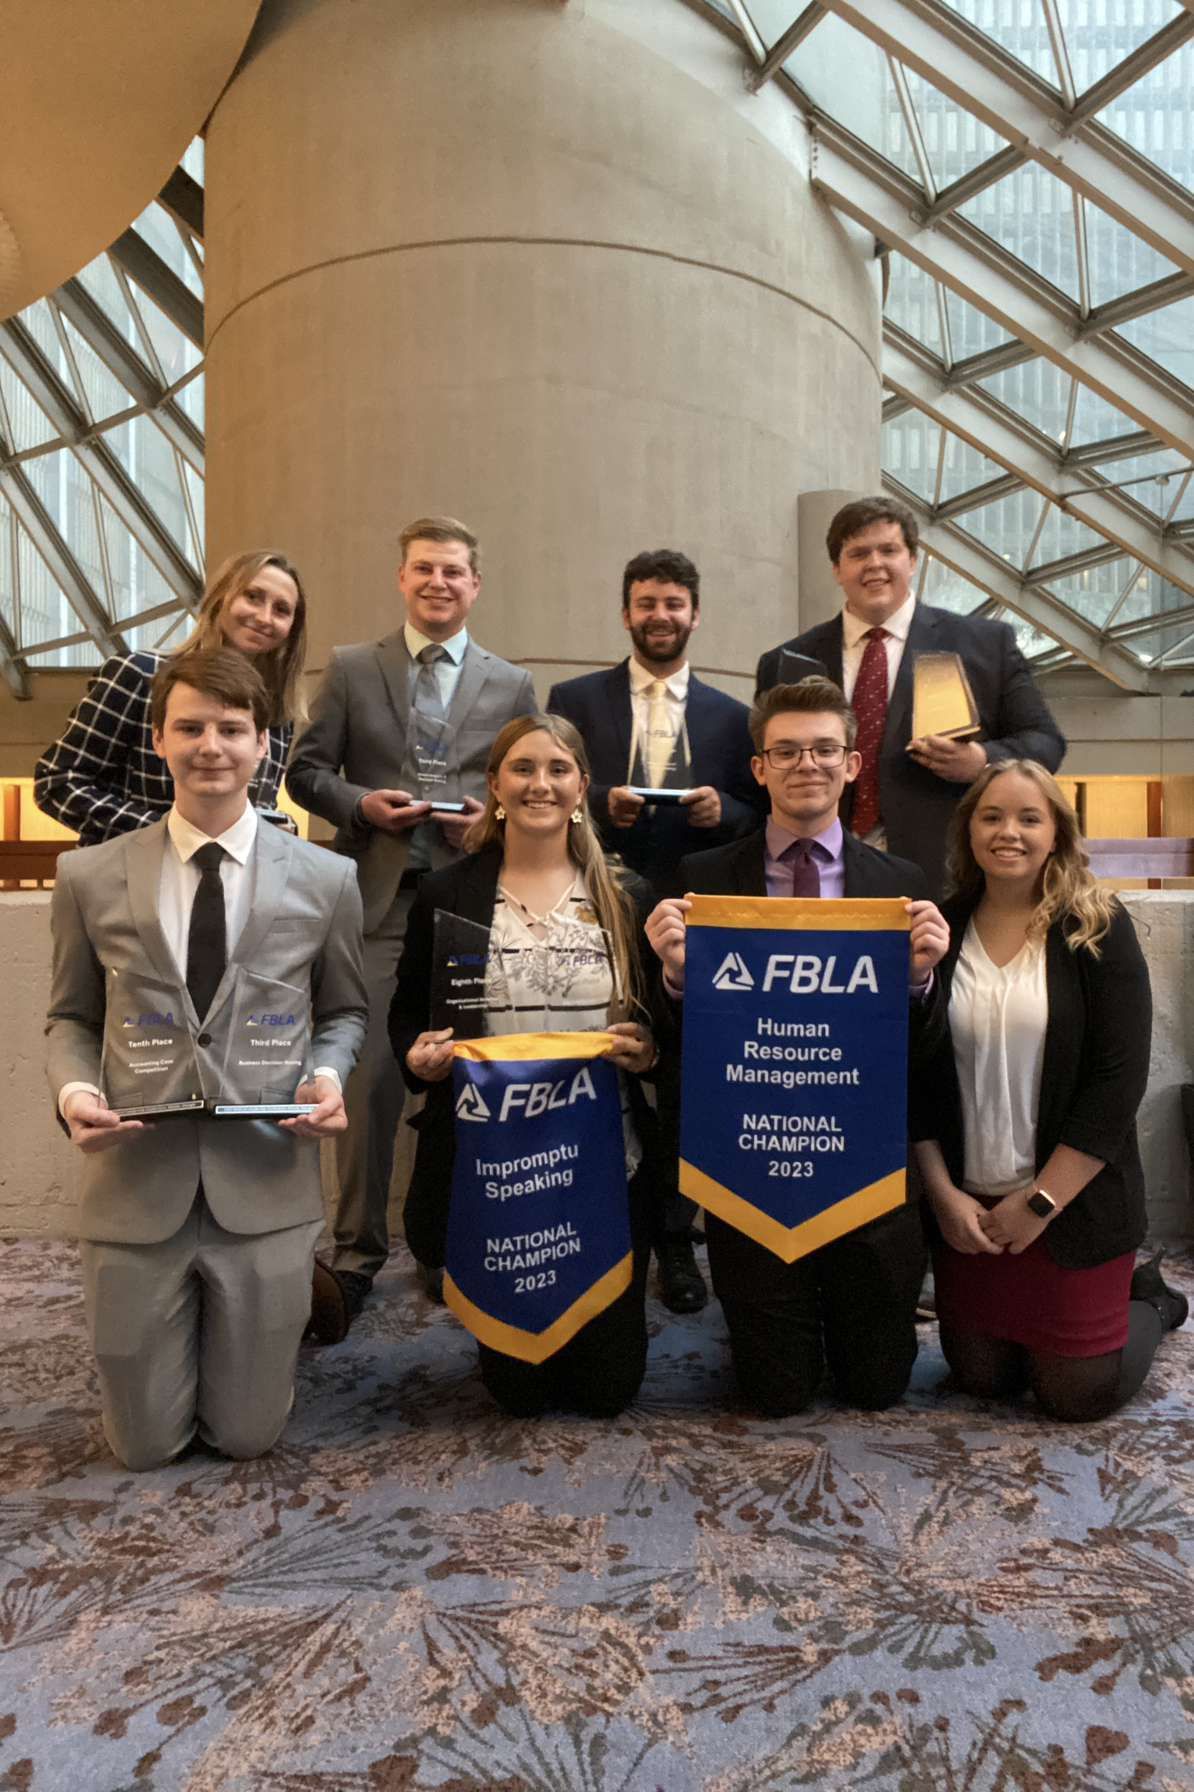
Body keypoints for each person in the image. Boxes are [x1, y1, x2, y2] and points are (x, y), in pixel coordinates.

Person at [45, 648, 367, 1471]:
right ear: (158, 739)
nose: (210, 746)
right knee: (145, 1447)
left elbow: (344, 1012)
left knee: (248, 1436)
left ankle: (287, 1303)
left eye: (232, 728)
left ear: (266, 744)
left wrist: (328, 1076)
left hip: (264, 1177)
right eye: (189, 727)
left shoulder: (328, 880)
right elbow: (69, 1018)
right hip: (134, 1185)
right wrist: (76, 1089)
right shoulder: (87, 876)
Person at [645, 677, 949, 1417]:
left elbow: (929, 1059)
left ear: (852, 764)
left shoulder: (902, 890)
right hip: (751, 1164)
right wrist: (678, 981)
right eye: (786, 751)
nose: (805, 764)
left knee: (877, 1390)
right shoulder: (704, 883)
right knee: (775, 1396)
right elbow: (676, 1047)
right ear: (759, 769)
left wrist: (919, 985)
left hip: (870, 1170)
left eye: (824, 749)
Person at [286, 516, 536, 1322]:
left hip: (473, 904)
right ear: (402, 578)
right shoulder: (355, 669)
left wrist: (486, 819)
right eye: (424, 568)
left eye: (454, 571)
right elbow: (307, 771)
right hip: (379, 901)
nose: (438, 583)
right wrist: (361, 803)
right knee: (370, 1080)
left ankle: (444, 1242)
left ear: (475, 586)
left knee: (476, 1070)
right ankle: (356, 1251)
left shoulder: (512, 683)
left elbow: (527, 784)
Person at [389, 712, 661, 1417]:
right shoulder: (450, 894)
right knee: (519, 1393)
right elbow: (406, 1012)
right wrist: (419, 1059)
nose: (541, 783)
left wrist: (650, 1047)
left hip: (604, 1158)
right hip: (497, 1164)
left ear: (582, 789)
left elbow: (664, 1017)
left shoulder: (626, 897)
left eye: (558, 770)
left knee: (609, 1393)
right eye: (523, 769)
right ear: (495, 785)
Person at [911, 759, 1187, 1423]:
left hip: (1071, 1206)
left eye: (1029, 818)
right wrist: (943, 1196)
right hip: (969, 1213)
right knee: (981, 1378)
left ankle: (1149, 1299)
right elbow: (910, 1073)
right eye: (992, 815)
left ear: (1058, 834)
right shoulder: (936, 933)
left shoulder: (1097, 928)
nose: (1010, 831)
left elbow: (1116, 1084)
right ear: (968, 830)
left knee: (1075, 1395)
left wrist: (1038, 1203)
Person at [548, 549, 759, 1314]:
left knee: (680, 1082)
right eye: (646, 603)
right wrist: (603, 803)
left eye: (674, 603)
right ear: (626, 612)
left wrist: (722, 813)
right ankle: (591, 1225)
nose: (660, 615)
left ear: (695, 614)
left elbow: (754, 812)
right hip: (595, 911)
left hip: (698, 922)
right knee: (597, 1068)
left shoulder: (735, 718)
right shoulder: (573, 698)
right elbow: (552, 785)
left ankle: (676, 1238)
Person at [755, 496, 1065, 897]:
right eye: (858, 553)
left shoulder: (983, 646)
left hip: (941, 874)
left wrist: (980, 762)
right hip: (817, 871)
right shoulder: (787, 661)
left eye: (889, 550)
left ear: (913, 561)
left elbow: (1046, 743)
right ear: (837, 569)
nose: (874, 564)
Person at [34, 550, 307, 844]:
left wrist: (275, 829)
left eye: (281, 609)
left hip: (230, 884)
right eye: (253, 597)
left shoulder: (279, 713)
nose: (265, 617)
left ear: (292, 626)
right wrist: (166, 834)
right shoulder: (139, 676)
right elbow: (58, 783)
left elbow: (251, 806)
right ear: (221, 598)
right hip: (131, 877)